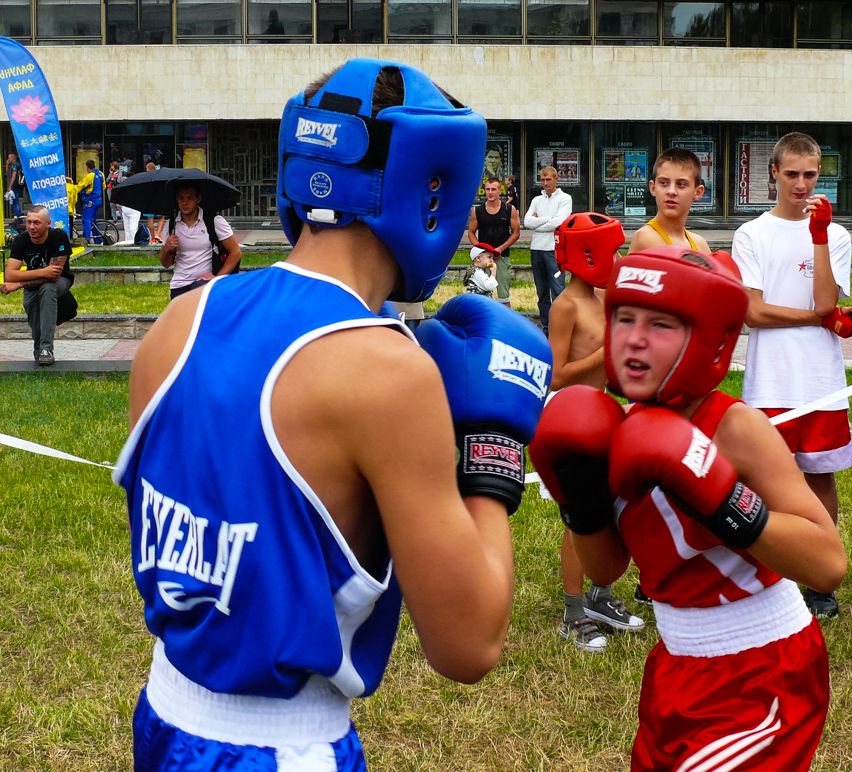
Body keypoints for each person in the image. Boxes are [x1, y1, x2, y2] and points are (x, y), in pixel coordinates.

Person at [114, 58, 551, 772]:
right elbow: (469, 645)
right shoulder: (388, 372)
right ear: (431, 186)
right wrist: (494, 444)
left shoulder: (179, 323)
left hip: (163, 715)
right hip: (284, 748)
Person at [531, 246, 847, 772]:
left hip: (764, 668)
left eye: (661, 325)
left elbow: (827, 564)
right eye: (625, 318)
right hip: (676, 664)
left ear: (708, 340)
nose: (634, 338)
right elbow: (606, 569)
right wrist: (580, 501)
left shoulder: (735, 427)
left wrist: (723, 501)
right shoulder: (613, 432)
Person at [731, 132, 852, 620]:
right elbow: (754, 313)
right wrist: (818, 319)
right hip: (769, 378)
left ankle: (819, 579)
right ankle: (767, 576)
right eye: (791, 174)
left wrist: (820, 236)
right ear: (774, 173)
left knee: (820, 478)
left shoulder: (837, 233)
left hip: (819, 380)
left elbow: (828, 302)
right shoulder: (751, 234)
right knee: (764, 482)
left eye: (810, 174)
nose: (801, 184)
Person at [542, 212, 643, 653]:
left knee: (609, 511)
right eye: (612, 251)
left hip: (603, 414)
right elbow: (556, 374)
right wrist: (605, 351)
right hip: (571, 421)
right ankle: (572, 612)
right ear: (588, 255)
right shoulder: (566, 306)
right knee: (579, 521)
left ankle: (600, 597)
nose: (617, 259)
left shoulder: (603, 300)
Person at [0, 206, 75, 366]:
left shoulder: (59, 236)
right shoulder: (21, 240)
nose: (31, 227)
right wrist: (43, 271)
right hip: (35, 282)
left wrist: (20, 283)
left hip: (60, 281)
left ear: (48, 223)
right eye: (29, 222)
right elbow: (9, 275)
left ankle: (46, 349)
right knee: (31, 306)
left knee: (48, 289)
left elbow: (53, 276)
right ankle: (40, 354)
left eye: (37, 223)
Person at [158, 181, 242, 300]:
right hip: (179, 283)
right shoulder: (171, 224)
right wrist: (167, 247)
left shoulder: (214, 221)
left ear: (198, 199)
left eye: (189, 198)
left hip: (204, 282)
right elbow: (166, 264)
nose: (185, 203)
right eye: (181, 198)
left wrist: (217, 278)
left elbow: (236, 252)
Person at [628, 148, 711, 255]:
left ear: (698, 192)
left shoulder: (700, 244)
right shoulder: (646, 237)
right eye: (664, 183)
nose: (671, 191)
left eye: (681, 184)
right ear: (653, 188)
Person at [523, 166, 572, 335]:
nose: (545, 183)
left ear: (556, 179)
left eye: (548, 179)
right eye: (543, 180)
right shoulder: (537, 200)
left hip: (554, 250)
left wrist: (538, 224)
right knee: (542, 293)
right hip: (536, 249)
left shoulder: (565, 198)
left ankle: (561, 330)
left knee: (558, 291)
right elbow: (527, 222)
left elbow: (559, 223)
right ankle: (547, 329)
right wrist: (549, 219)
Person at [468, 177, 519, 308]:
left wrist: (500, 249)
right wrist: (480, 250)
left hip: (502, 257)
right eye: (488, 189)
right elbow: (471, 232)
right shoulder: (477, 211)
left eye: (493, 189)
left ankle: (505, 320)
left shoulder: (509, 209)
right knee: (481, 296)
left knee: (504, 296)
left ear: (500, 191)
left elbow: (516, 233)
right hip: (483, 259)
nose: (490, 192)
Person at [76, 159, 105, 244]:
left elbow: (80, 186)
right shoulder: (101, 174)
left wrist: (73, 188)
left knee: (86, 220)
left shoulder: (89, 176)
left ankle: (86, 240)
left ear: (87, 167)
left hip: (90, 201)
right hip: (98, 199)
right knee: (93, 221)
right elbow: (104, 187)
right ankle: (98, 240)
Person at [144, 162, 166, 245]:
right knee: (161, 217)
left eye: (146, 169)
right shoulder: (159, 177)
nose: (146, 170)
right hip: (159, 199)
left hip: (149, 199)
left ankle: (153, 238)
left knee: (150, 219)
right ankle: (158, 234)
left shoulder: (146, 178)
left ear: (150, 169)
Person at [5, 152, 25, 218]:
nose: (8, 159)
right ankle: (18, 217)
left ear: (12, 158)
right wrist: (7, 164)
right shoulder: (16, 165)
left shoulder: (14, 165)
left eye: (9, 158)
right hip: (17, 184)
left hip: (15, 185)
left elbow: (13, 176)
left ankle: (17, 218)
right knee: (15, 201)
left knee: (15, 202)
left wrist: (10, 186)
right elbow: (7, 172)